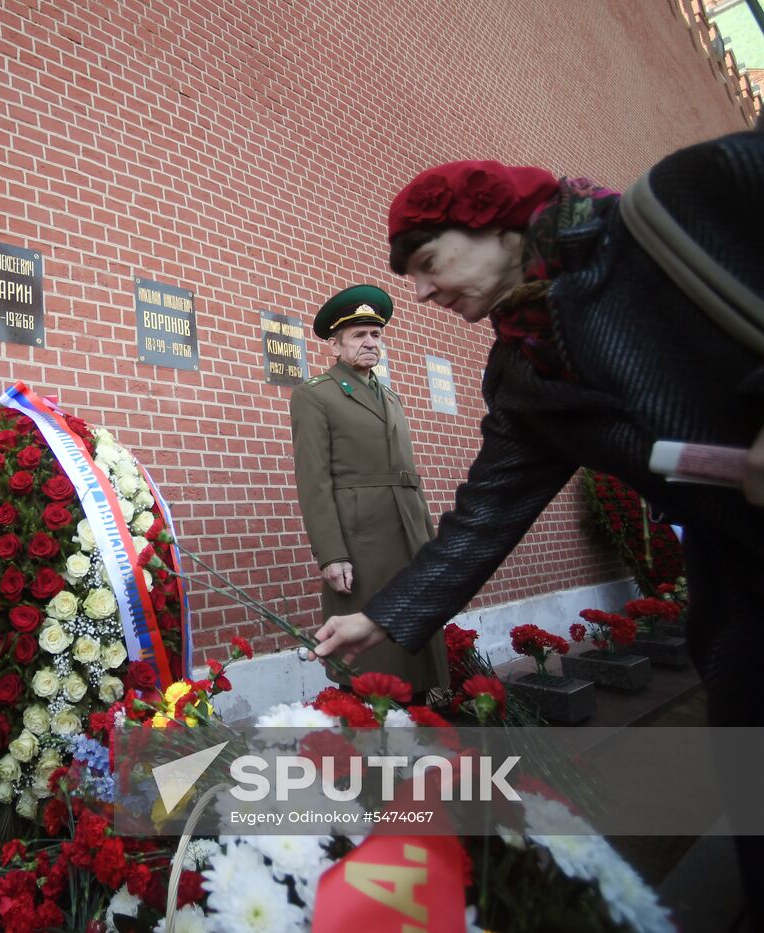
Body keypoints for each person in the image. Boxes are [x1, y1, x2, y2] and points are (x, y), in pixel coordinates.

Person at [308, 133, 763, 922]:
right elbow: (485, 514)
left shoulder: (680, 205)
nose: (416, 295)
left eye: (425, 262)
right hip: (745, 574)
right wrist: (382, 614)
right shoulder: (522, 369)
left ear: (493, 220)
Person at [290, 284, 448, 698]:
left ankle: (418, 725)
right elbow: (313, 479)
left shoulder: (390, 397)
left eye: (375, 334)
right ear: (336, 342)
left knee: (414, 638)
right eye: (359, 335)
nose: (370, 342)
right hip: (361, 541)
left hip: (410, 531)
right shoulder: (315, 394)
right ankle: (374, 737)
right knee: (371, 661)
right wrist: (332, 553)